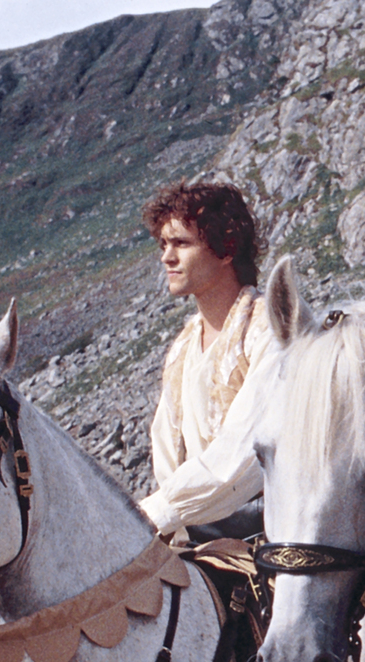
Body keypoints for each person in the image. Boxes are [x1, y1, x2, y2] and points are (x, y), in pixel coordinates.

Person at [136, 180, 272, 540]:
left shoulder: (269, 328)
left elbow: (247, 452)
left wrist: (158, 513)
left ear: (226, 249)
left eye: (181, 243)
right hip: (193, 524)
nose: (166, 257)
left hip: (265, 521)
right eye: (164, 244)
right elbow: (165, 447)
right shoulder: (183, 345)